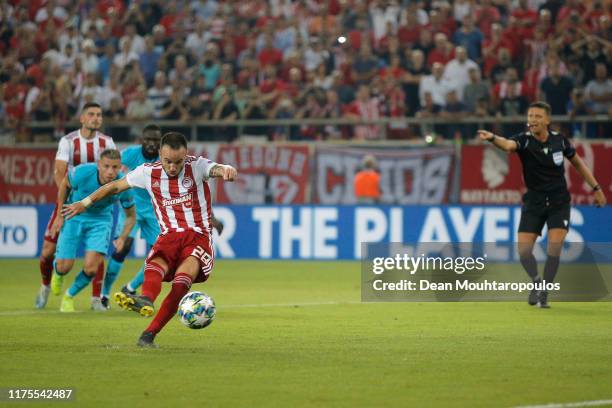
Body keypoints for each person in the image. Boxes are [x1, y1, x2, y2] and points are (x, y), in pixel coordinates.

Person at [63, 132, 238, 347]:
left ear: (186, 156)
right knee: (156, 264)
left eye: (178, 162)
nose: (173, 167)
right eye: (168, 162)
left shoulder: (198, 166)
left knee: (182, 282)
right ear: (159, 155)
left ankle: (149, 334)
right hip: (169, 235)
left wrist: (227, 170)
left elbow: (217, 169)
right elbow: (115, 186)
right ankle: (146, 298)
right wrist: (85, 202)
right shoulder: (147, 172)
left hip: (198, 237)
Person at [477, 101, 606, 308]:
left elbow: (579, 164)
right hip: (534, 201)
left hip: (558, 201)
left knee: (554, 249)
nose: (532, 120)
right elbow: (508, 145)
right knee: (524, 251)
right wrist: (492, 138)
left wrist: (596, 188)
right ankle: (537, 282)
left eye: (537, 116)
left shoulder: (560, 141)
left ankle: (545, 290)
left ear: (547, 120)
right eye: (530, 116)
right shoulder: (524, 141)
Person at [105, 125, 225, 307]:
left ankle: (130, 288)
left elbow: (195, 194)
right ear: (142, 140)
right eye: (148, 140)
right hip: (132, 209)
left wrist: (212, 218)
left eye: (155, 140)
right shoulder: (130, 154)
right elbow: (112, 168)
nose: (151, 144)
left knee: (161, 257)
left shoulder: (171, 160)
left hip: (156, 212)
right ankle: (104, 295)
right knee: (122, 248)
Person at [35, 102, 116, 310]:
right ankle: (46, 285)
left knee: (96, 253)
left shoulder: (107, 142)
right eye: (91, 114)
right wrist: (66, 205)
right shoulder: (68, 141)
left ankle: (96, 298)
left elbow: (114, 172)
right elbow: (60, 174)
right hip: (70, 202)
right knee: (47, 250)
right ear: (82, 118)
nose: (96, 118)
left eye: (99, 114)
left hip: (97, 206)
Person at [50, 149, 136, 312]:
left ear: (120, 168)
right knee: (64, 267)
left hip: (101, 221)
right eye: (106, 166)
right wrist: (59, 215)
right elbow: (64, 185)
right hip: (73, 215)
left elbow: (131, 216)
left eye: (115, 167)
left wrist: (123, 237)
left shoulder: (123, 185)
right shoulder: (82, 172)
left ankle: (69, 296)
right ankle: (58, 273)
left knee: (91, 268)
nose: (111, 172)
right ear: (98, 165)